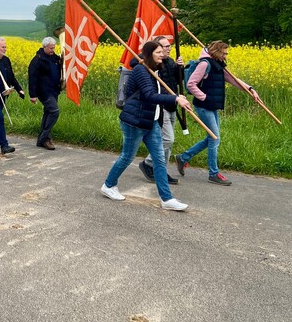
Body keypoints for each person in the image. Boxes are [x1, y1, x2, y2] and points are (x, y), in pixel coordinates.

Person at [100, 41, 192, 211]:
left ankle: (167, 199)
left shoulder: (154, 70)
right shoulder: (141, 70)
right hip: (135, 121)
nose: (162, 54)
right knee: (127, 157)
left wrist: (177, 97)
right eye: (158, 52)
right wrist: (174, 99)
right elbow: (150, 95)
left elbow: (161, 92)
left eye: (162, 52)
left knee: (158, 160)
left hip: (151, 121)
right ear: (149, 54)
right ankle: (108, 185)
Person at [175, 40, 261, 186]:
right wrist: (204, 97)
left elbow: (234, 80)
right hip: (203, 106)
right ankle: (213, 174)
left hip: (212, 106)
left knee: (212, 138)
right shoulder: (205, 64)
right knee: (215, 139)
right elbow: (191, 84)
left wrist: (250, 89)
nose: (226, 56)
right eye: (224, 53)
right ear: (217, 52)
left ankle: (183, 157)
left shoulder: (218, 65)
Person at [137, 36, 182, 184]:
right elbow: (135, 62)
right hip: (161, 106)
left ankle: (161, 171)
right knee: (168, 139)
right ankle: (149, 163)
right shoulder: (150, 63)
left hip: (172, 104)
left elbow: (177, 81)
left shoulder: (169, 62)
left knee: (168, 144)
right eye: (165, 46)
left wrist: (180, 68)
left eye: (169, 46)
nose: (168, 48)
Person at [27, 36, 62, 150]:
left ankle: (42, 140)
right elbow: (32, 78)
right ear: (45, 47)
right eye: (51, 48)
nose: (53, 50)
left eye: (54, 48)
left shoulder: (54, 57)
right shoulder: (37, 59)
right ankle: (44, 137)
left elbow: (61, 64)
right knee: (54, 111)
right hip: (43, 91)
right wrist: (32, 95)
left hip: (54, 90)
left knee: (48, 113)